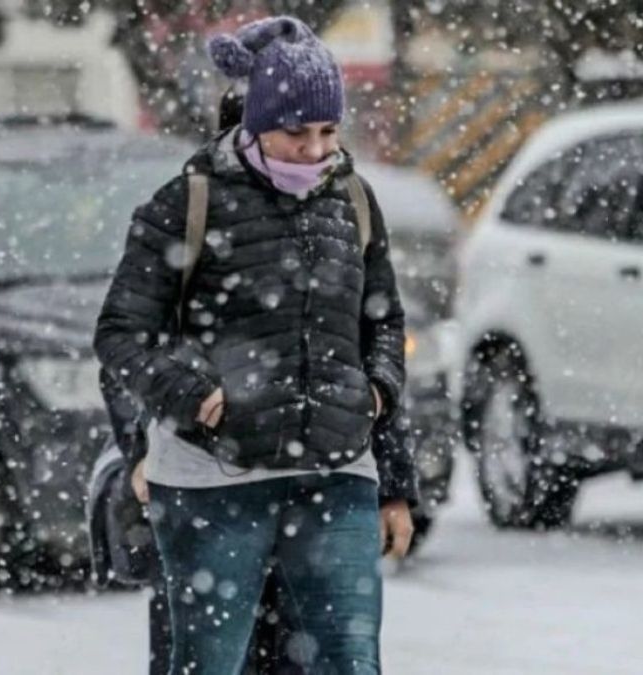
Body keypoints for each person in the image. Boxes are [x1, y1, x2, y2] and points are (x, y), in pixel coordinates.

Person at [94, 16, 417, 674]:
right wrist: (182, 408)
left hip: (331, 473)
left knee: (346, 661)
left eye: (327, 131)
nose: (313, 148)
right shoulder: (188, 205)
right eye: (296, 131)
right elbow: (124, 335)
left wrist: (386, 440)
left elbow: (377, 325)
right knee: (210, 661)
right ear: (256, 123)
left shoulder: (351, 201)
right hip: (217, 480)